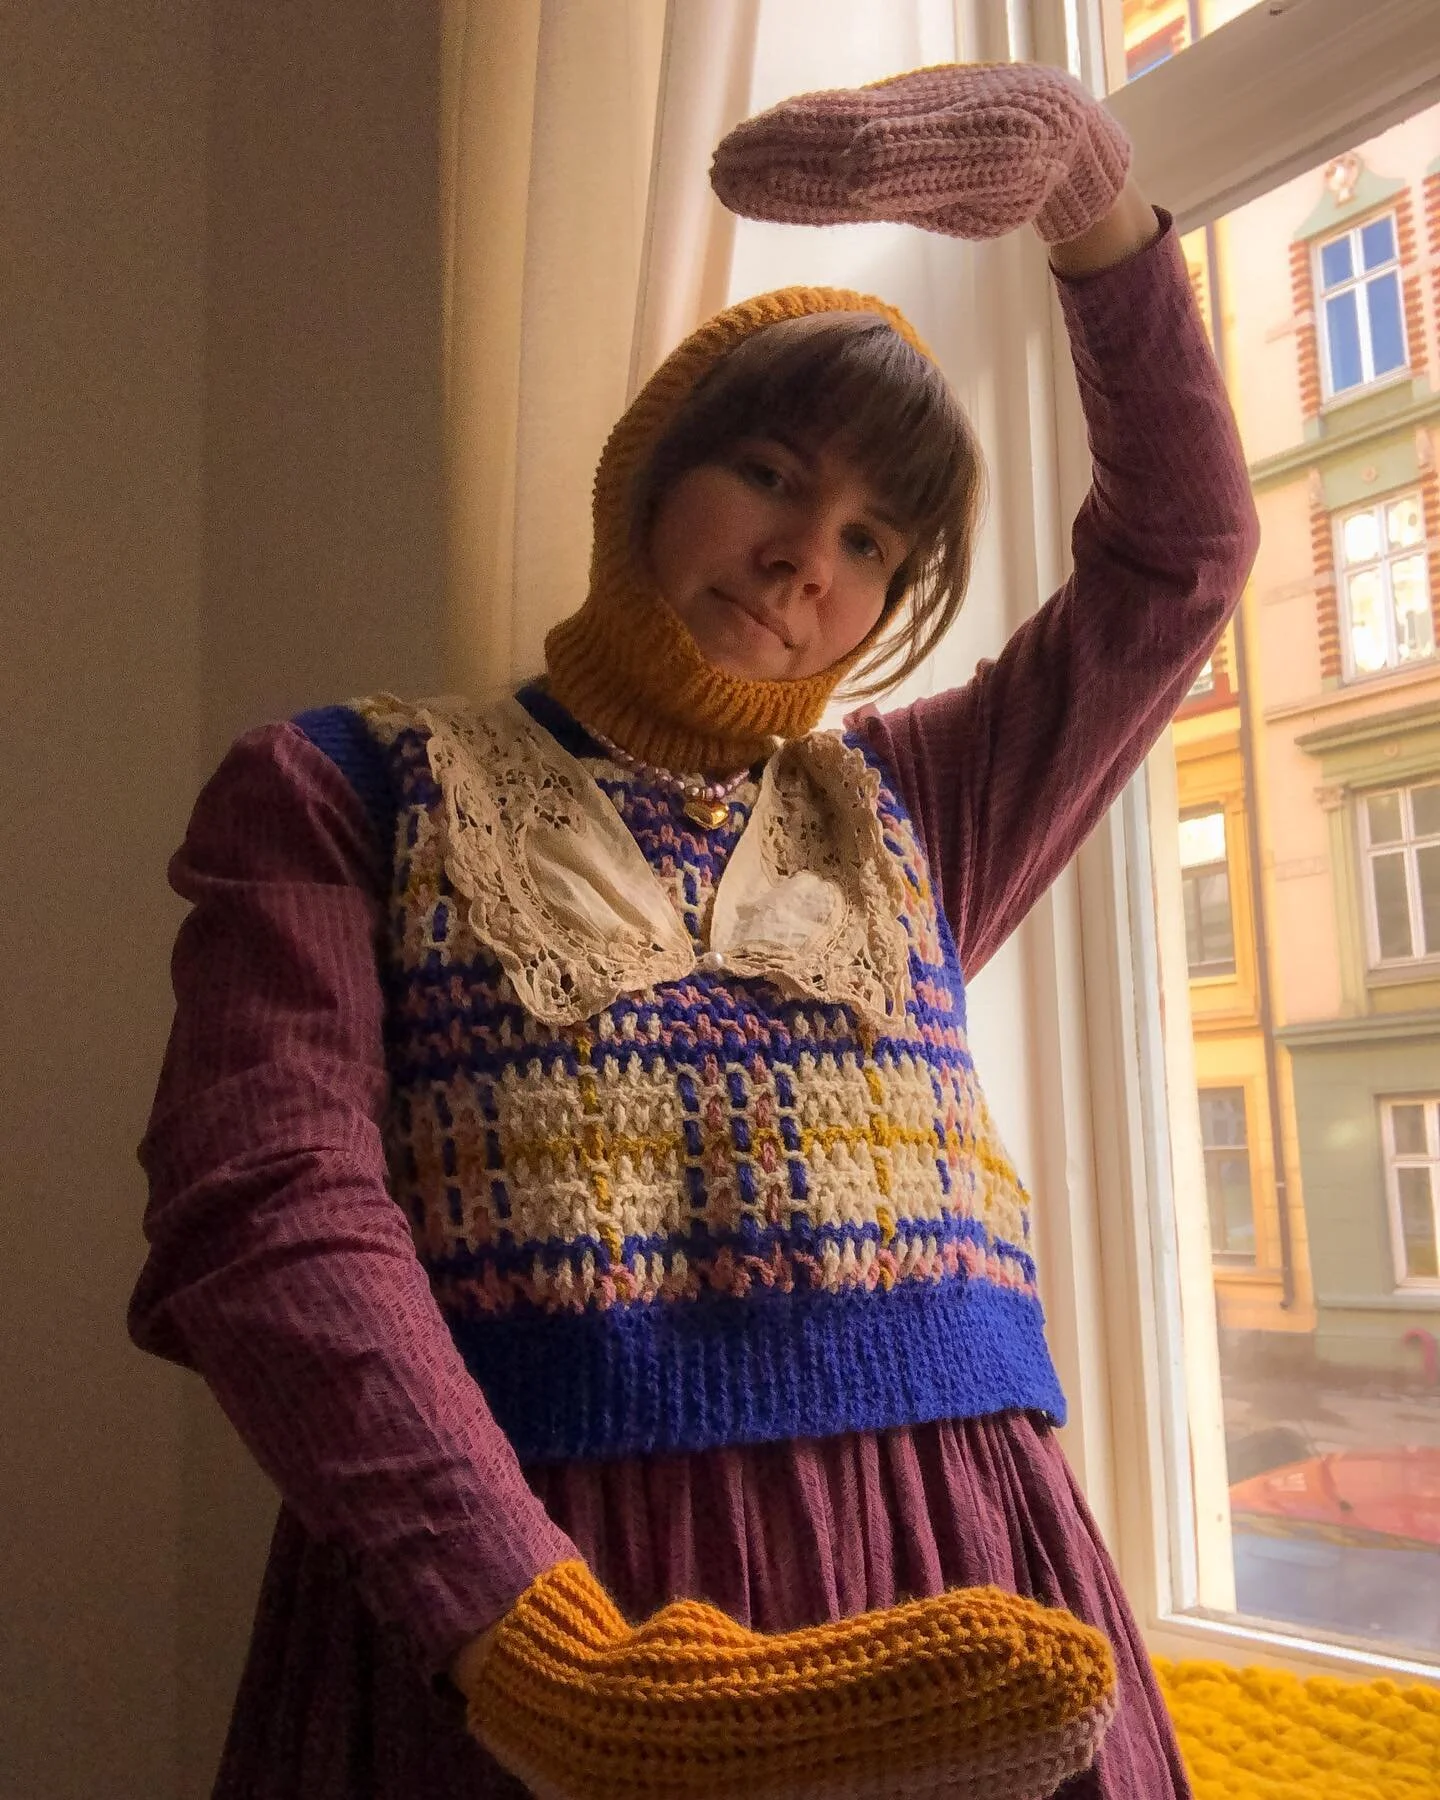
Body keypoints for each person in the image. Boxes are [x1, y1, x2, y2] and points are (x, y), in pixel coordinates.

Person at [129, 60, 1258, 1800]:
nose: (812, 552)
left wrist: (1092, 204)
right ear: (653, 470)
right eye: (771, 471)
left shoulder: (915, 810)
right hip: (518, 1607)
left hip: (959, 1579)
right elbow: (268, 1209)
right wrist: (535, 1648)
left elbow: (1177, 553)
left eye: (877, 538)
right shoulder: (343, 788)